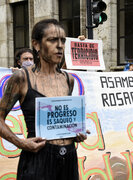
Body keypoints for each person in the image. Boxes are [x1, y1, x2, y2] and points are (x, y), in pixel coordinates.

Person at [0, 19, 88, 180]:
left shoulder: (69, 79)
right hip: (38, 158)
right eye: (53, 40)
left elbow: (61, 121)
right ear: (37, 45)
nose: (60, 45)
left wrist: (75, 132)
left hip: (68, 158)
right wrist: (21, 143)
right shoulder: (22, 78)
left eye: (63, 40)